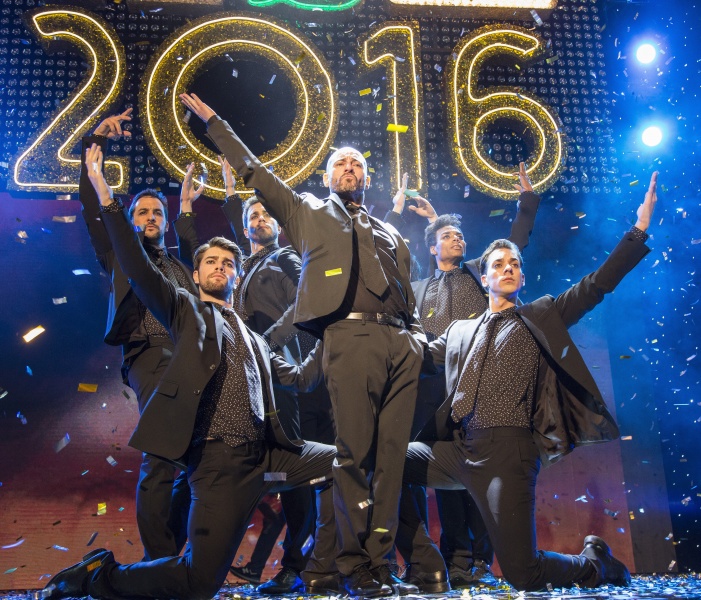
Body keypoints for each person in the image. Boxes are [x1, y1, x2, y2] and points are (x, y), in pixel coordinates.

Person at [40, 144, 337, 600]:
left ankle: (321, 568)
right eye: (211, 262)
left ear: (237, 275)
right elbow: (137, 265)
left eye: (228, 263)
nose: (220, 267)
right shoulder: (187, 312)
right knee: (198, 583)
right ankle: (99, 577)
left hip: (270, 461)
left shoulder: (256, 338)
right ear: (195, 278)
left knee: (348, 460)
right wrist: (105, 196)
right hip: (220, 463)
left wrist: (333, 334)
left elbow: (299, 379)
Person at [180, 91, 426, 597]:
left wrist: (417, 339)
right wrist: (216, 124)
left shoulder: (390, 233)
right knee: (354, 458)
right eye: (341, 164)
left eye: (357, 164)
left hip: (401, 343)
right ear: (327, 176)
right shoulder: (305, 212)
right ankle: (352, 565)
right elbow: (255, 171)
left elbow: (407, 289)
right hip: (349, 336)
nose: (350, 168)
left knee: (392, 461)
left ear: (368, 177)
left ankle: (381, 564)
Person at [397, 172, 659, 591]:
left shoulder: (539, 315)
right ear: (483, 278)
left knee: (524, 574)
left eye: (515, 265)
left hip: (509, 453)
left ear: (521, 278)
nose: (508, 268)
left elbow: (595, 286)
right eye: (498, 265)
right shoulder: (461, 329)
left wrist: (637, 232)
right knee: (382, 460)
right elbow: (417, 355)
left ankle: (594, 564)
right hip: (459, 449)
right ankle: (423, 560)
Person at [388, 167, 541, 589]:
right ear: (433, 248)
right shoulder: (419, 288)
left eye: (460, 235)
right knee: (444, 479)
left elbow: (515, 243)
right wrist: (404, 214)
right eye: (447, 236)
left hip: (481, 389)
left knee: (481, 476)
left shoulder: (478, 272)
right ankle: (454, 558)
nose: (458, 239)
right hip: (432, 393)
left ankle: (479, 561)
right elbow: (389, 258)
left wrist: (527, 204)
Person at [79, 109, 201, 560]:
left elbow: (196, 256)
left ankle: (170, 554)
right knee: (163, 454)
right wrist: (96, 143)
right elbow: (94, 209)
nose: (151, 217)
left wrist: (186, 207)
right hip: (149, 355)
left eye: (157, 213)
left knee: (198, 459)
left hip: (192, 361)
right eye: (142, 212)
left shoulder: (180, 266)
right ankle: (158, 561)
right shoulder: (121, 255)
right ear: (129, 220)